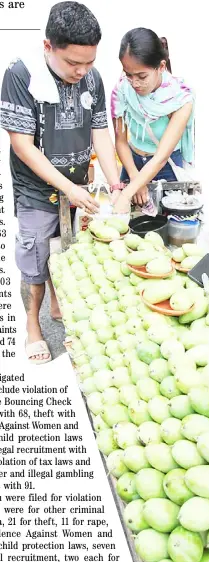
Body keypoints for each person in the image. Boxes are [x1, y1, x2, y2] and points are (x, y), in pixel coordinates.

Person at [0, 1, 121, 364]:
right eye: (73, 63)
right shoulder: (20, 75)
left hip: (78, 186)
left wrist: (116, 184)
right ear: (48, 47)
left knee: (69, 252)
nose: (82, 71)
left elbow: (100, 130)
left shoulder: (92, 77)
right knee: (35, 259)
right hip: (37, 189)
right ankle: (32, 327)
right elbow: (22, 145)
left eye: (89, 62)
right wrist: (68, 188)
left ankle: (59, 306)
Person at [111, 28, 195, 214]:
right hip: (132, 163)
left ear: (161, 67)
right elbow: (121, 141)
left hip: (166, 167)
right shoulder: (121, 90)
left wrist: (127, 194)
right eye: (128, 74)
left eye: (142, 76)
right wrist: (135, 177)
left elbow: (161, 156)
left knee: (166, 228)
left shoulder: (180, 98)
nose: (134, 83)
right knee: (129, 228)